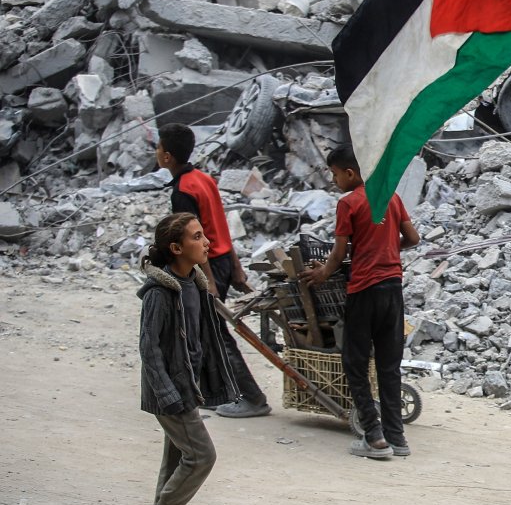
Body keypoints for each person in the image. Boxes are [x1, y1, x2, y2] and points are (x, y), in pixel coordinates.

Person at [300, 145, 420, 459]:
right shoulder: (391, 197)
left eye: (335, 174)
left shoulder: (348, 203)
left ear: (350, 173)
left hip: (364, 290)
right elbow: (413, 238)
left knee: (355, 363)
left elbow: (338, 253)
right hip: (393, 289)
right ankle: (398, 438)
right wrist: (387, 250)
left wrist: (322, 274)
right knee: (389, 366)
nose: (334, 180)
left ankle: (374, 436)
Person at [136, 212, 239, 505]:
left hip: (188, 388)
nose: (206, 241)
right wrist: (167, 393)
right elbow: (149, 348)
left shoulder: (194, 284)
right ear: (176, 248)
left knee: (177, 459)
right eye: (197, 237)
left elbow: (199, 341)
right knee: (201, 456)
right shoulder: (159, 292)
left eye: (203, 234)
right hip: (170, 391)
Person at [156, 123, 271, 419]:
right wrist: (235, 266)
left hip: (207, 266)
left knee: (215, 334)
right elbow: (220, 224)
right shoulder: (203, 180)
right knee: (204, 332)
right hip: (220, 260)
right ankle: (213, 391)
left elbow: (196, 239)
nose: (156, 152)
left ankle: (254, 398)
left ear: (167, 156)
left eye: (158, 148)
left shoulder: (183, 191)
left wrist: (206, 281)